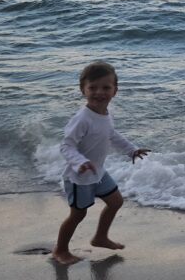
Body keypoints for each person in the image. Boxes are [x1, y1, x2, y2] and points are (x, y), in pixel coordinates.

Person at [52, 61, 151, 264]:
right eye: (93, 87)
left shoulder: (105, 114)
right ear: (83, 90)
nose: (99, 92)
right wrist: (79, 162)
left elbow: (111, 135)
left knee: (116, 202)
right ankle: (60, 250)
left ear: (115, 90)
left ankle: (100, 237)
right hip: (79, 177)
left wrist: (131, 149)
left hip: (98, 172)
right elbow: (66, 146)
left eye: (106, 87)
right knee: (78, 215)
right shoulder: (82, 118)